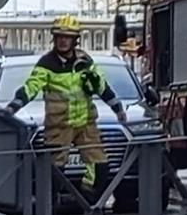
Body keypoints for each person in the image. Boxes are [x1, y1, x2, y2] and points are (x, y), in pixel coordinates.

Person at [8, 17, 128, 205]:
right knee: (54, 176)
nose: (63, 40)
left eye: (68, 37)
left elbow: (101, 85)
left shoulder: (85, 61)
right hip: (59, 126)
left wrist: (117, 108)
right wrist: (13, 106)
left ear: (75, 40)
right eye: (59, 37)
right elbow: (31, 87)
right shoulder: (46, 64)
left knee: (100, 167)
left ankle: (92, 208)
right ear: (54, 39)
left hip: (86, 124)